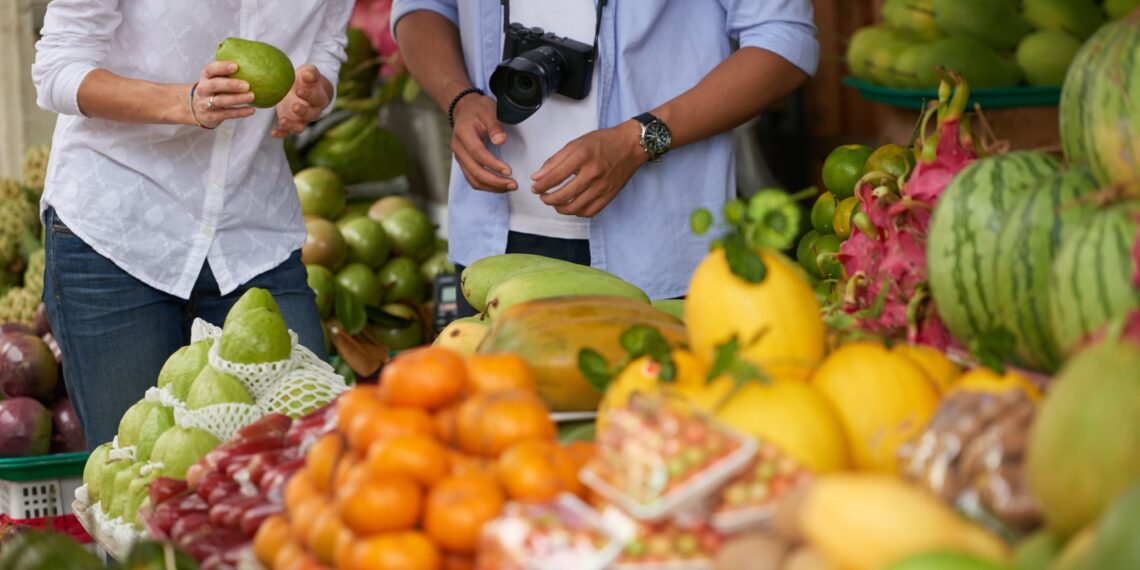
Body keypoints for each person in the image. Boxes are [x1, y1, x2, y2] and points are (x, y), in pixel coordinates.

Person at [31, 0, 353, 449]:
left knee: (306, 460)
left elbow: (326, 45)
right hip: (118, 229)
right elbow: (57, 70)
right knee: (137, 473)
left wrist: (313, 96)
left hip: (252, 234)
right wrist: (185, 101)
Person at [392, 0, 818, 316]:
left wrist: (640, 139)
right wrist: (460, 99)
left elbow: (785, 41)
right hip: (490, 244)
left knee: (648, 432)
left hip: (656, 253)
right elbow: (423, 7)